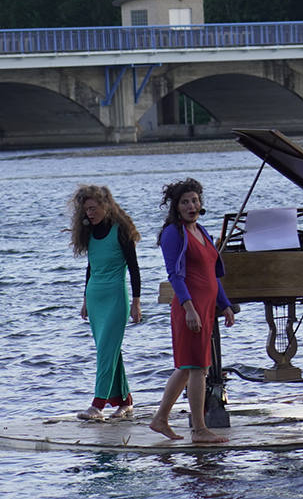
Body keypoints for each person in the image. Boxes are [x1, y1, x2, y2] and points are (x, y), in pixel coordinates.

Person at [150, 178, 235, 443]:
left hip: (207, 306)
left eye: (195, 200)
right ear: (175, 206)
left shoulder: (202, 230)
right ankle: (199, 430)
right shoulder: (174, 233)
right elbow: (175, 275)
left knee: (187, 366)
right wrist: (189, 308)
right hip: (190, 307)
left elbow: (213, 273)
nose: (191, 206)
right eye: (185, 202)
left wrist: (225, 305)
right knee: (197, 367)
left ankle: (160, 419)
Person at [68, 185, 142, 420]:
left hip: (116, 297)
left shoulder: (121, 230)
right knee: (109, 351)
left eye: (93, 208)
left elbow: (134, 268)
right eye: (85, 210)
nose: (89, 213)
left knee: (106, 352)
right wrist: (85, 300)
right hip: (95, 297)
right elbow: (91, 267)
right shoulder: (89, 233)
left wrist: (137, 302)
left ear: (105, 206)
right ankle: (125, 401)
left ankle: (97, 405)